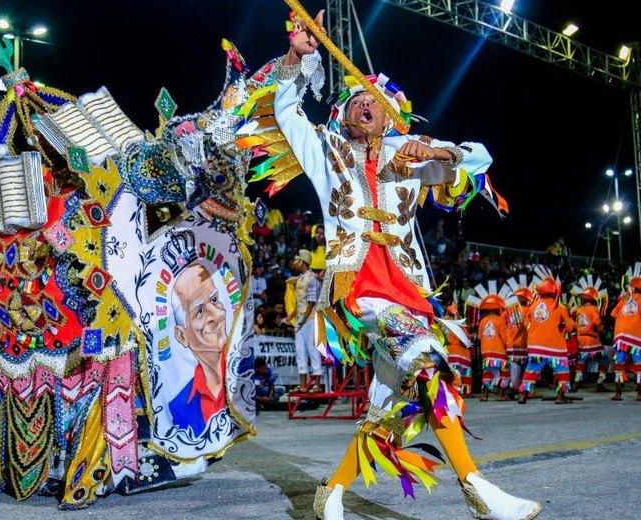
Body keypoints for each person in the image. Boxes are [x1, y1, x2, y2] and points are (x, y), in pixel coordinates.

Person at [241, 9, 538, 519]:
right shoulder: (327, 150)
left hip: (410, 291)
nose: (362, 104)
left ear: (388, 114)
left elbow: (479, 158)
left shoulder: (408, 155)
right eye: (354, 100)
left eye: (371, 101)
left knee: (393, 405)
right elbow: (287, 110)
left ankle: (330, 492)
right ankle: (477, 489)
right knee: (428, 365)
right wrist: (296, 56)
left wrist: (438, 147)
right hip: (359, 287)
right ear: (343, 116)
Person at [168, 263, 228, 435]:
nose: (218, 315)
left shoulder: (240, 377)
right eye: (200, 311)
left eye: (215, 300)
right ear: (182, 336)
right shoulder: (178, 408)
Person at [519, 271, 575, 405]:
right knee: (563, 371)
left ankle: (523, 396)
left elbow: (526, 325)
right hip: (554, 346)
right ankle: (560, 396)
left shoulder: (533, 306)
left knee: (531, 371)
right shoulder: (559, 308)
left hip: (535, 346)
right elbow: (570, 327)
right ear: (554, 293)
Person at [288, 249, 323, 393]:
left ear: (302, 261)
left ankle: (317, 385)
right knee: (300, 351)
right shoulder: (301, 278)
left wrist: (302, 321)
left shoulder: (312, 278)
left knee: (312, 350)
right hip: (300, 319)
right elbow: (299, 303)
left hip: (309, 319)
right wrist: (290, 317)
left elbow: (311, 302)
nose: (294, 263)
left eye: (296, 260)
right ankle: (302, 385)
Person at [569, 276, 607, 393]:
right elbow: (597, 322)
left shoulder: (579, 309)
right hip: (592, 340)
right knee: (604, 360)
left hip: (580, 340)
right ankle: (600, 383)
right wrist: (601, 327)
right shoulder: (593, 308)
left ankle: (576, 382)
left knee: (581, 362)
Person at [610, 263, 641, 401]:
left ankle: (618, 393)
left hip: (620, 337)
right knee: (639, 366)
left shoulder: (624, 300)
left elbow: (612, 314)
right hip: (635, 336)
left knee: (619, 365)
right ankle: (640, 394)